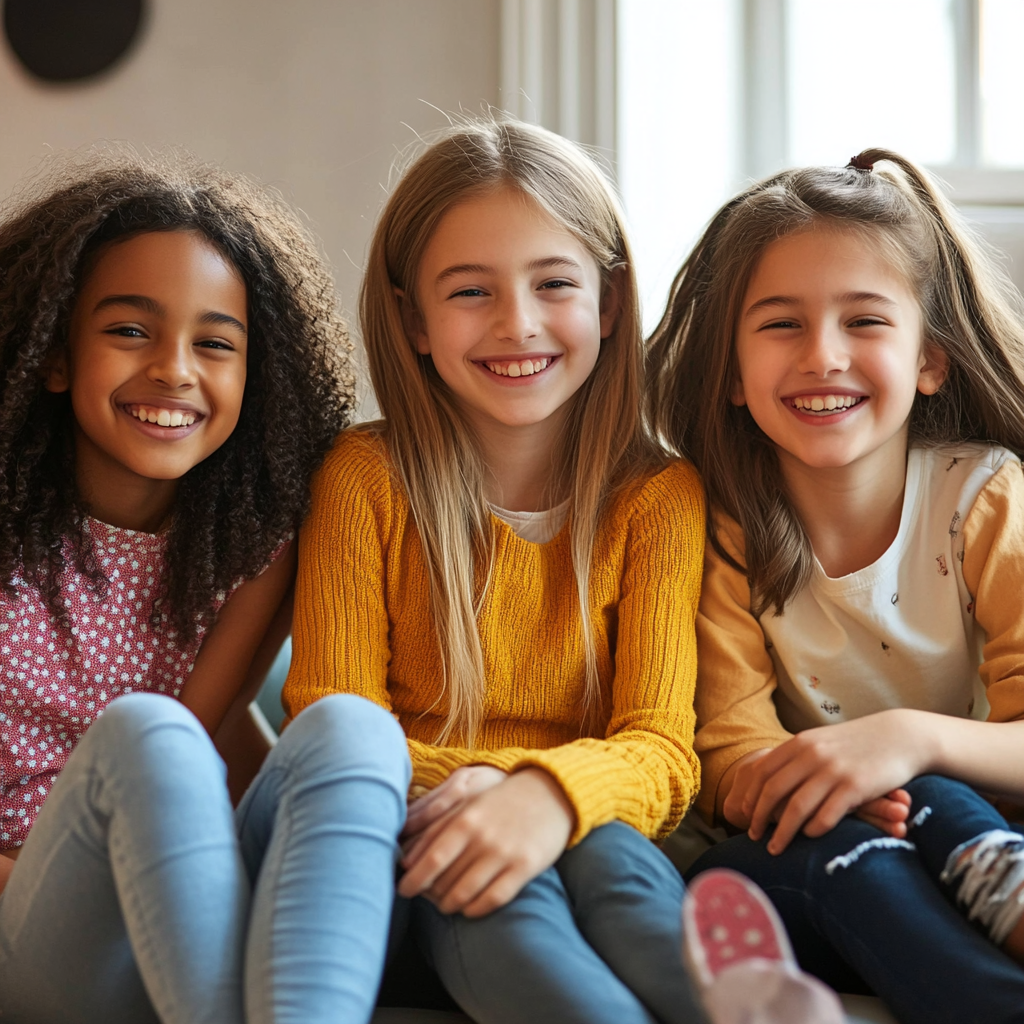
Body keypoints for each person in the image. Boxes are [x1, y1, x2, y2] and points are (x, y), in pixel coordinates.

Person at [282, 118, 711, 1024]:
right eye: (470, 291)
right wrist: (500, 790)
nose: (516, 322)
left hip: (595, 830)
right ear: (414, 322)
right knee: (509, 916)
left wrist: (544, 796)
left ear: (608, 301)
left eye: (553, 283)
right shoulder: (365, 481)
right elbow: (336, 735)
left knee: (625, 884)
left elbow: (664, 752)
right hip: (426, 844)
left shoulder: (660, 497)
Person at [0, 153, 410, 1024]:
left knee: (351, 725)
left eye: (215, 344)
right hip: (30, 913)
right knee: (149, 732)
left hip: (180, 890)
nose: (176, 370)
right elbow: (172, 745)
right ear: (52, 355)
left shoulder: (255, 549)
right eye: (129, 331)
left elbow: (218, 741)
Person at [647, 147, 1024, 1024]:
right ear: (731, 371)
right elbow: (727, 757)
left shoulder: (987, 499)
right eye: (780, 325)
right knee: (737, 872)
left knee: (932, 795)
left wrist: (904, 744)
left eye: (864, 322)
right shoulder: (716, 526)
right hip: (821, 851)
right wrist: (834, 783)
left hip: (980, 827)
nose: (823, 356)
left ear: (930, 359)